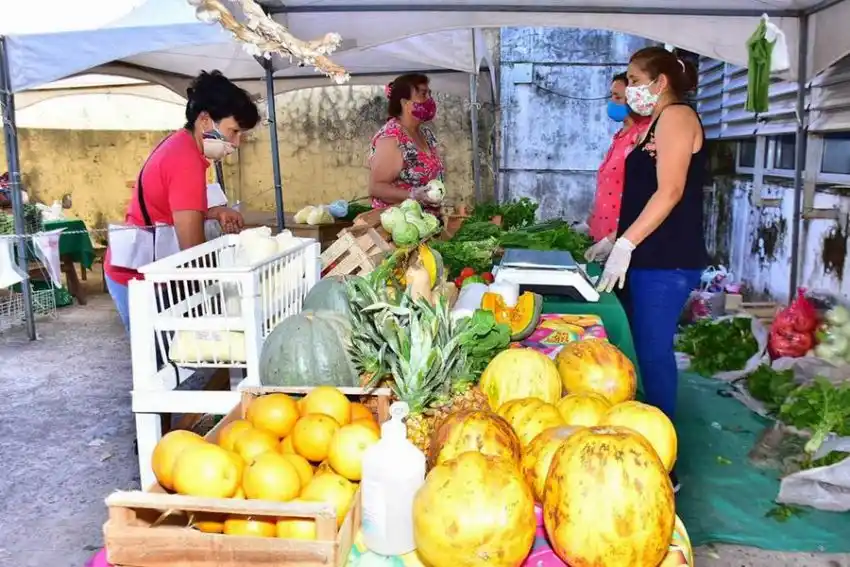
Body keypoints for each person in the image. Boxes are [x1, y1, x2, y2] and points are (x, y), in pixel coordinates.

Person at [591, 47, 708, 488]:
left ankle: (665, 462)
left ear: (660, 82)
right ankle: (642, 440)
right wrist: (614, 239)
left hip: (667, 260)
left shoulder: (677, 116)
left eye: (636, 79)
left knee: (655, 355)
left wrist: (627, 242)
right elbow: (641, 194)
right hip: (647, 258)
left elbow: (672, 189)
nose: (632, 88)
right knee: (641, 351)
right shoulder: (649, 126)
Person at [104, 70, 260, 333]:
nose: (237, 143)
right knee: (164, 365)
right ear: (205, 120)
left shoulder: (181, 144)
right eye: (233, 131)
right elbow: (193, 252)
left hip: (144, 269)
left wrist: (214, 212)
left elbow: (174, 207)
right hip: (140, 278)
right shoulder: (185, 160)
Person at [586, 72, 651, 244]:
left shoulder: (643, 135)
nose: (612, 101)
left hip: (623, 236)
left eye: (618, 96)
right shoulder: (620, 136)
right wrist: (593, 218)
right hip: (602, 233)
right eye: (612, 96)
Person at [368, 73, 444, 211]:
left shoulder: (426, 134)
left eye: (429, 94)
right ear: (405, 103)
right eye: (423, 94)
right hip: (399, 223)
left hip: (426, 223)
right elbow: (377, 187)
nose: (429, 99)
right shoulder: (391, 137)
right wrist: (412, 195)